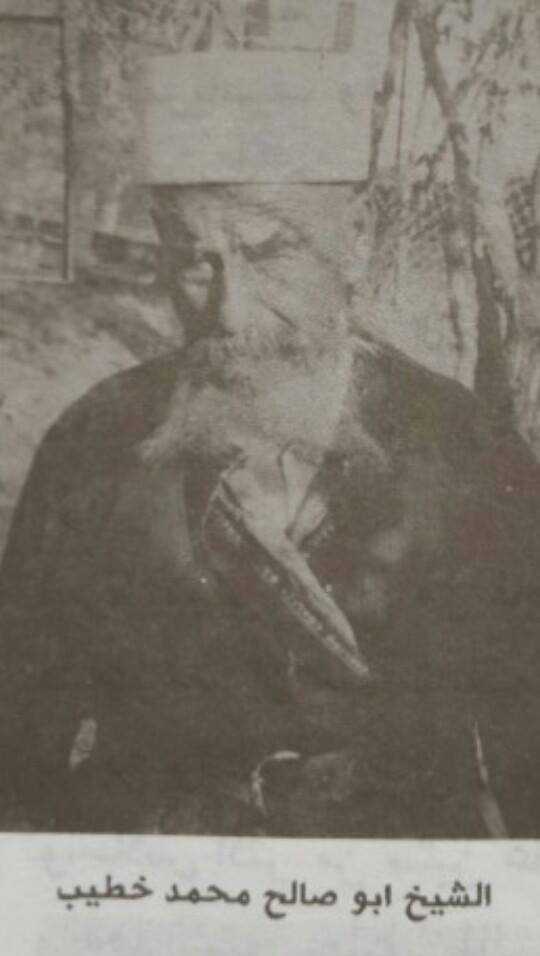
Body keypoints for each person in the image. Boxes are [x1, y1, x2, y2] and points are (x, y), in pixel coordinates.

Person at [1, 55, 540, 838]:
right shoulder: (95, 444)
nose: (230, 312)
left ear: (356, 239)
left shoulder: (468, 454)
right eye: (195, 263)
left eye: (269, 255)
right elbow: (18, 754)